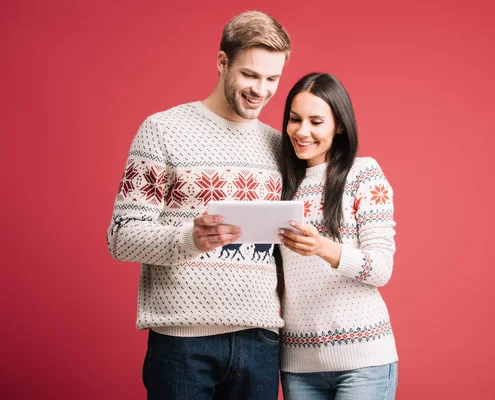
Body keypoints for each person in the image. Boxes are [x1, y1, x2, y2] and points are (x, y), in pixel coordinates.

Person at [106, 11, 291, 400]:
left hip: (260, 340)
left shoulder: (279, 145)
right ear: (222, 62)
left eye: (272, 78)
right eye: (251, 75)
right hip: (182, 342)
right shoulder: (163, 129)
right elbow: (121, 237)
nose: (262, 89)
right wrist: (189, 237)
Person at [277, 73, 398, 399]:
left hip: (364, 362)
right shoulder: (281, 185)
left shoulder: (364, 174)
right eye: (294, 119)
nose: (302, 131)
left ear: (339, 125)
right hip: (297, 365)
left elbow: (380, 268)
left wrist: (322, 247)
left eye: (316, 121)